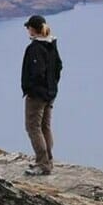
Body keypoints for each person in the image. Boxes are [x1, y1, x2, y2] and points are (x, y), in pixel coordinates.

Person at [21, 14, 63, 176]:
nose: (27, 29)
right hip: (50, 93)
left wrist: (31, 89)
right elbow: (59, 67)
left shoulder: (35, 48)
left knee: (33, 127)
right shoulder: (52, 44)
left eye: (28, 27)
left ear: (32, 28)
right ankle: (48, 160)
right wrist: (52, 86)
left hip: (37, 96)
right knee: (45, 126)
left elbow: (37, 73)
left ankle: (43, 164)